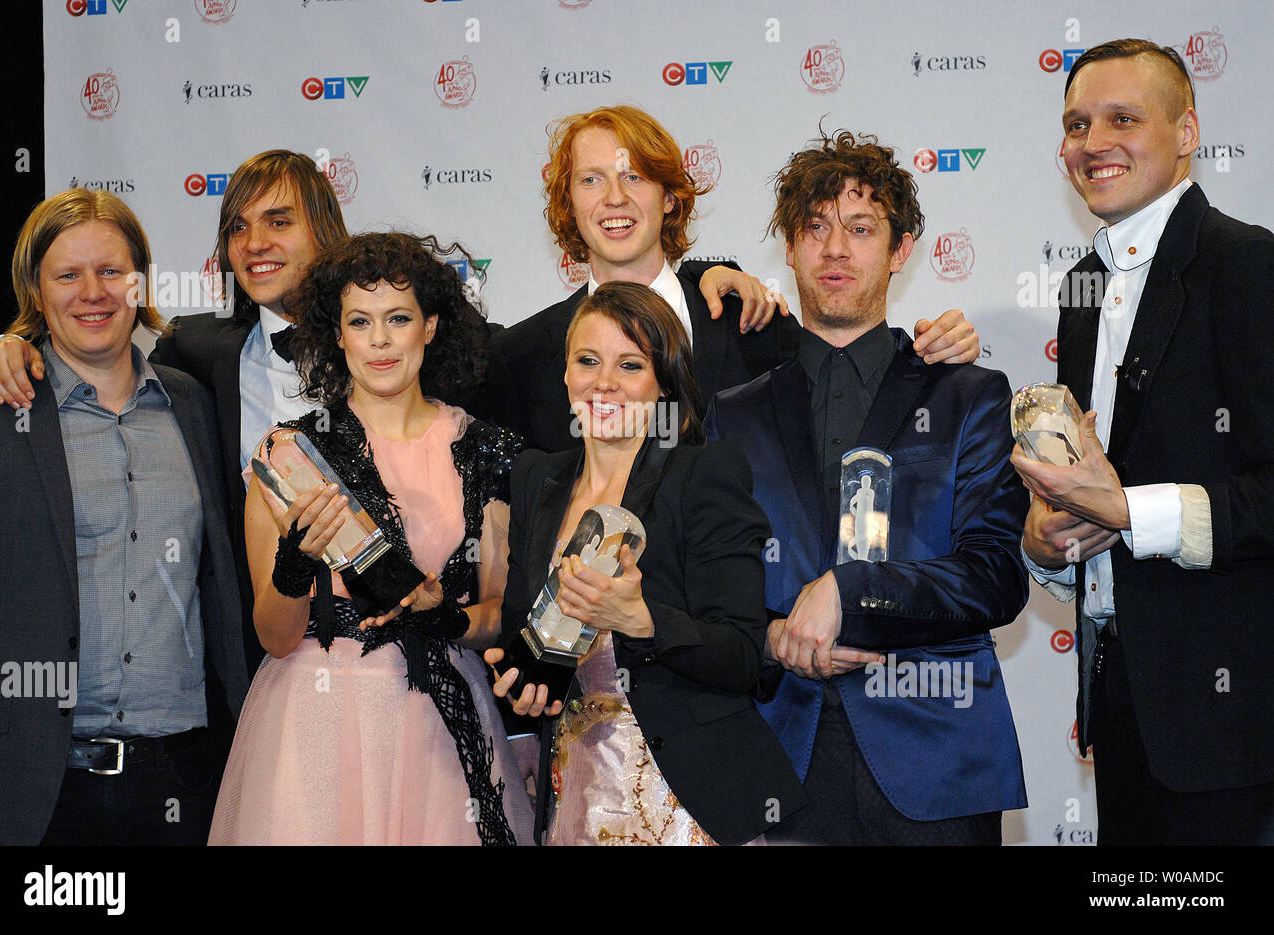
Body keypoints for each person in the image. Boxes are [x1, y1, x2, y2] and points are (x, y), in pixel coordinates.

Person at [705, 130, 1029, 845]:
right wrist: (766, 636)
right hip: (779, 762)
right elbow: (709, 588)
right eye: (814, 228)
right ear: (787, 249)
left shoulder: (969, 394)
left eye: (861, 228)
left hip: (937, 761)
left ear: (901, 248)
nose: (836, 250)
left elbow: (998, 575)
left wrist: (852, 591)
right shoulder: (734, 412)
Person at [1012, 39, 1274, 844]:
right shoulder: (1084, 290)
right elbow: (1087, 494)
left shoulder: (1248, 266)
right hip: (1120, 704)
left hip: (1234, 726)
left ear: (1187, 130)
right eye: (1076, 124)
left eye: (1122, 118)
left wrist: (1128, 509)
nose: (1092, 144)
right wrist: (1046, 539)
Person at [208, 232, 533, 845]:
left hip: (441, 726)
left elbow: (498, 615)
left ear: (430, 328)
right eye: (360, 321)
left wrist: (448, 617)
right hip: (312, 723)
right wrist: (294, 562)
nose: (380, 340)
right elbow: (275, 636)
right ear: (337, 335)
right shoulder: (289, 455)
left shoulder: (487, 451)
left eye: (399, 319)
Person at [0, 150, 351, 673]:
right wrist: (4, 344)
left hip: (397, 651)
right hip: (261, 660)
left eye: (279, 221)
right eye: (238, 227)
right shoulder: (195, 356)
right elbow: (87, 346)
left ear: (327, 232)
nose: (255, 242)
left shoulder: (395, 354)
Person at [487, 281, 807, 845]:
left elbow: (741, 655)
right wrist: (522, 683)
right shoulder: (537, 479)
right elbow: (524, 628)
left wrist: (642, 620)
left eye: (630, 365)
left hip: (685, 801)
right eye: (587, 361)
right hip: (575, 797)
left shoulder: (703, 475)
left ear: (663, 385)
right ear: (565, 375)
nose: (603, 383)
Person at [0, 188, 249, 844]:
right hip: (32, 791)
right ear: (37, 292)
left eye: (111, 271)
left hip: (184, 785)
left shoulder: (196, 404)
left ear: (141, 282)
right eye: (67, 274)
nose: (92, 292)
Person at [485, 104, 980, 454]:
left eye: (634, 176)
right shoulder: (522, 356)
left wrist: (937, 352)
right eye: (590, 179)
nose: (614, 198)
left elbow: (849, 372)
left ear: (670, 197)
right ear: (569, 203)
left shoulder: (750, 322)